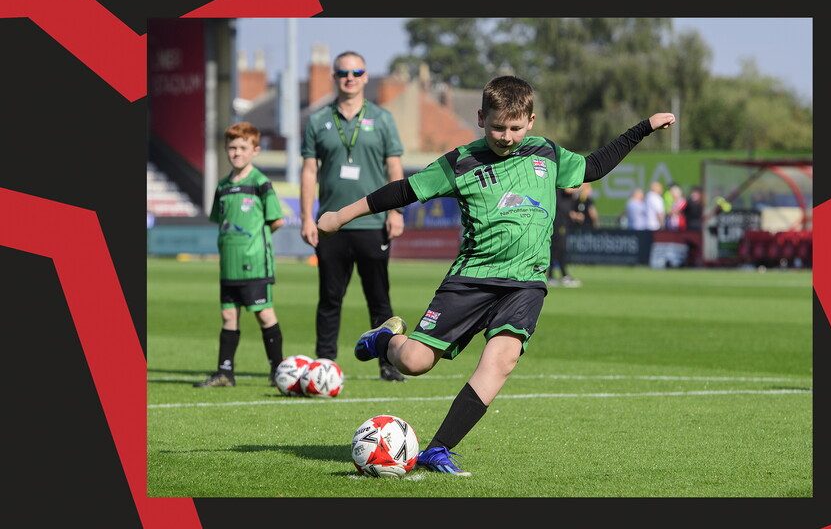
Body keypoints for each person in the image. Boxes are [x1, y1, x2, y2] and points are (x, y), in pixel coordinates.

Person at [316, 75, 675, 474]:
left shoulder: (547, 154)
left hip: (525, 283)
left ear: (531, 120)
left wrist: (643, 127)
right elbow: (403, 191)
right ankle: (386, 339)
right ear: (481, 117)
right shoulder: (459, 162)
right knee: (415, 362)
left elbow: (594, 166)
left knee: (502, 359)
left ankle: (438, 449)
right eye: (497, 127)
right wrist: (341, 216)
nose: (506, 136)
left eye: (515, 128)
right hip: (471, 278)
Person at [299, 51, 407, 382]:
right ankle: (325, 365)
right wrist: (307, 217)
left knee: (379, 299)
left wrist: (396, 212)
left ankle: (389, 363)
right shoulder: (318, 120)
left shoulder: (383, 118)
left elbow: (394, 168)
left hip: (373, 224)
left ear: (365, 76)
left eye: (356, 71)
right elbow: (308, 171)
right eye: (343, 72)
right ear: (334, 76)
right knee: (329, 298)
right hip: (331, 227)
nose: (350, 77)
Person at [195, 122, 285, 388]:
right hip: (229, 266)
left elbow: (276, 220)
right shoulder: (222, 186)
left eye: (243, 148)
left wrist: (255, 242)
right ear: (225, 149)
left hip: (254, 263)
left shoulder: (260, 183)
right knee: (228, 316)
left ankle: (278, 371)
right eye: (232, 147)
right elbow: (220, 221)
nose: (236, 153)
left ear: (255, 150)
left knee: (264, 314)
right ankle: (225, 372)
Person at [548, 187, 580, 287]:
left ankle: (554, 276)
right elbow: (566, 193)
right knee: (558, 248)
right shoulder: (559, 189)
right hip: (558, 222)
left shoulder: (564, 195)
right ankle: (560, 276)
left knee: (558, 248)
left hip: (561, 221)